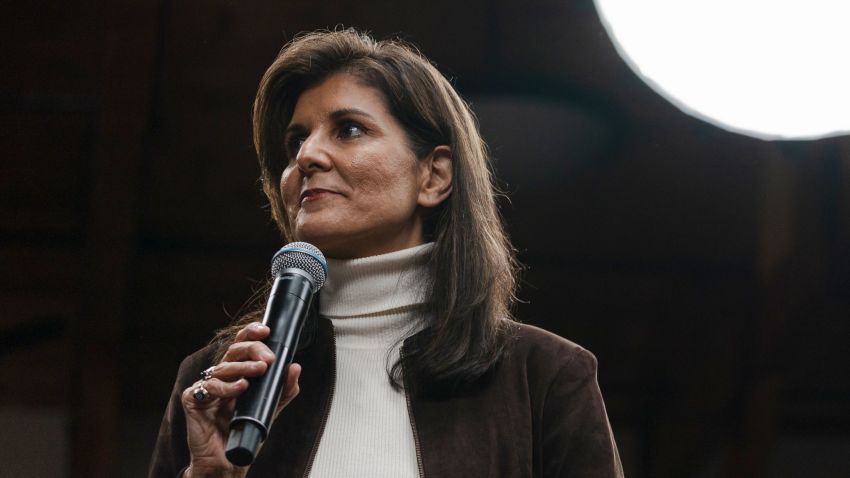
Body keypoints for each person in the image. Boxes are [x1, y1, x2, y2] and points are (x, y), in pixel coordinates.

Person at [149, 28, 623, 478]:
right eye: (296, 141)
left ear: (434, 176)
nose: (307, 156)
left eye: (349, 129)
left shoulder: (545, 376)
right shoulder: (214, 385)